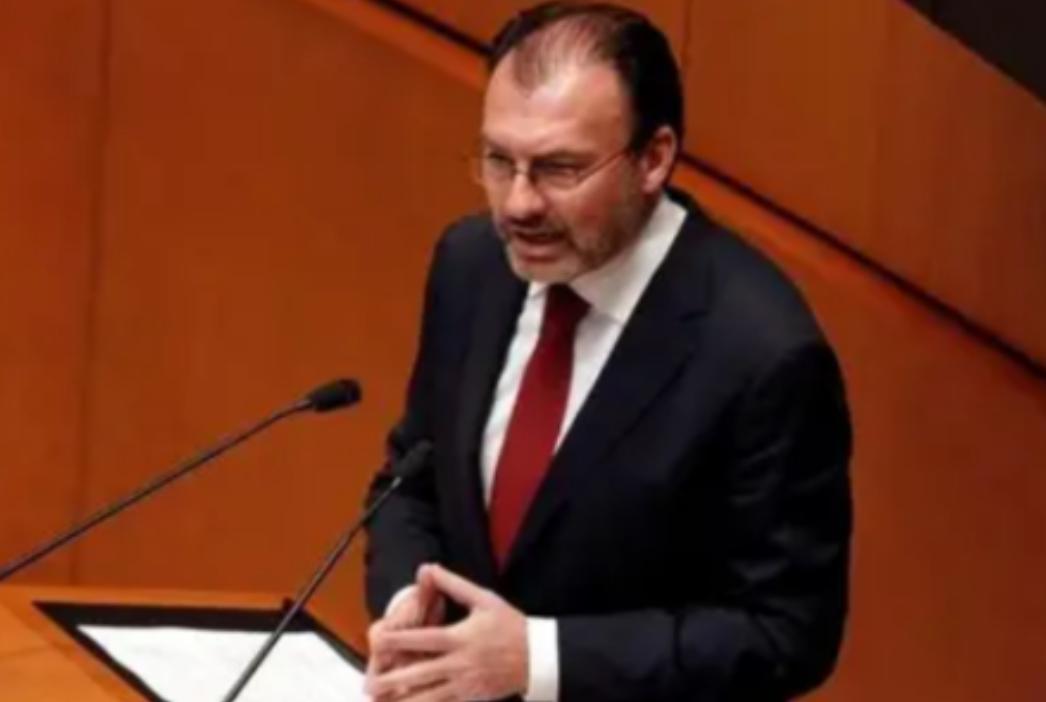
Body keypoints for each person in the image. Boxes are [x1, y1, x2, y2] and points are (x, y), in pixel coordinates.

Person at [363, 3, 852, 701]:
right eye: (499, 161)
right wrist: (408, 605)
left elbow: (784, 634)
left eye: (559, 168)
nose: (518, 204)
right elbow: (412, 482)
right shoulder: (471, 265)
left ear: (654, 158)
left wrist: (539, 660)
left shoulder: (762, 355)